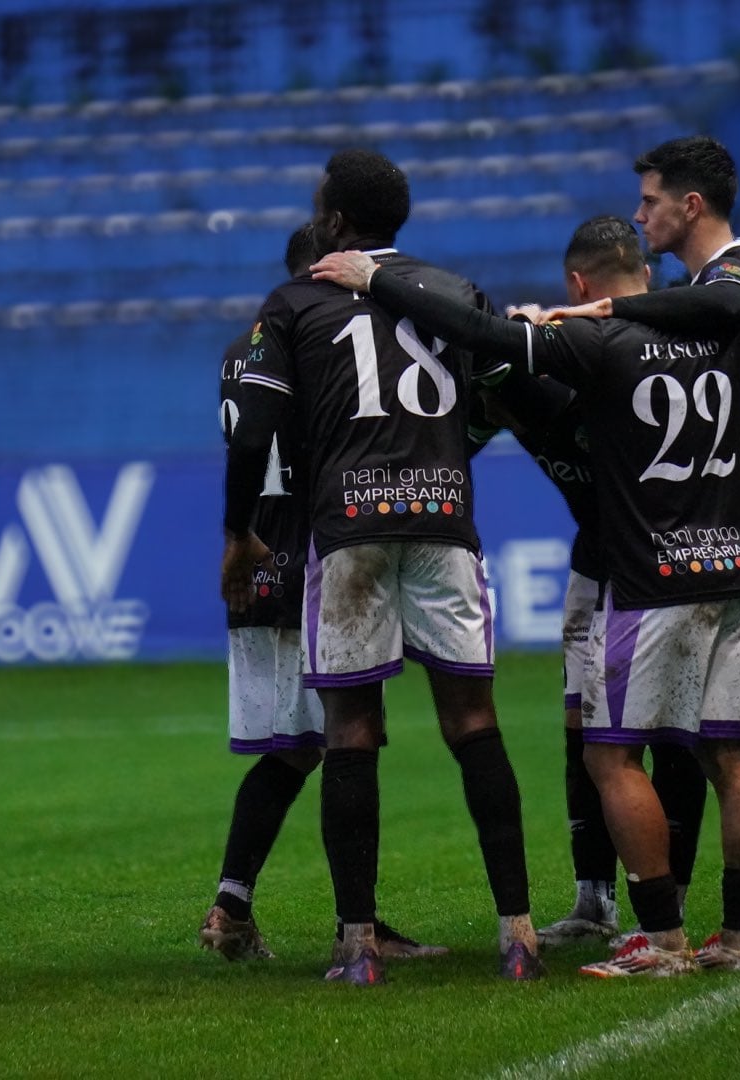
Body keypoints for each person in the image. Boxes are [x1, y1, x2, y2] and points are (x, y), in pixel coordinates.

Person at [311, 226, 740, 976]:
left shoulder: (600, 345)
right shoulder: (720, 333)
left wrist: (376, 277)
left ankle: (660, 939)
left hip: (649, 576)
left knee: (610, 754)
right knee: (732, 754)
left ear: (582, 287)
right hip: (731, 567)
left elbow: (476, 330)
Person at [221, 150, 541, 985]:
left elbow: (254, 433)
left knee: (351, 731)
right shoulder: (456, 291)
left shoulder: (295, 301)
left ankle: (357, 947)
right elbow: (509, 390)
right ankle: (519, 936)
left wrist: (236, 537)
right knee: (475, 724)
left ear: (332, 222)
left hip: (349, 526)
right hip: (443, 518)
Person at [554, 135, 740, 958]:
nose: (638, 217)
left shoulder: (735, 284)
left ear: (691, 206)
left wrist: (609, 309)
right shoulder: (703, 290)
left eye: (649, 202)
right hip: (737, 540)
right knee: (739, 733)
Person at [201, 224, 447, 963]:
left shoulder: (243, 349)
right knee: (339, 741)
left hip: (257, 565)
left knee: (302, 746)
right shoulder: (320, 341)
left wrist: (237, 535)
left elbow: (249, 443)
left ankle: (236, 909)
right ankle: (351, 928)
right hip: (314, 565)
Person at [467, 218, 709, 947]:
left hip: (656, 566)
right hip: (605, 564)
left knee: (659, 736)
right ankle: (597, 901)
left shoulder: (588, 356)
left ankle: (661, 907)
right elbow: (461, 435)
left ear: (577, 287)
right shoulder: (534, 374)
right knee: (597, 732)